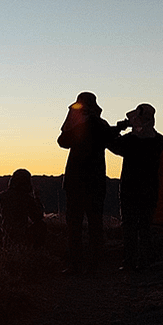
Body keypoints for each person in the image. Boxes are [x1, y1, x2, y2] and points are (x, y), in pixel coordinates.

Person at [57, 92, 122, 274]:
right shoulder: (100, 124)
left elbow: (63, 141)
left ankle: (76, 265)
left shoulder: (86, 124)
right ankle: (94, 265)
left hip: (77, 182)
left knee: (76, 226)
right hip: (95, 182)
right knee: (94, 225)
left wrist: (74, 121)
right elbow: (112, 141)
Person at [109, 103, 163, 271]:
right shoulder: (159, 142)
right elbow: (162, 140)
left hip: (130, 189)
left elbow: (111, 143)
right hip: (150, 190)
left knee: (129, 226)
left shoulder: (129, 141)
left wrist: (120, 127)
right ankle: (145, 262)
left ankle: (129, 262)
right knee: (145, 227)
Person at [0, 169, 46, 248]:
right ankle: (36, 251)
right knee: (41, 225)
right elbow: (38, 216)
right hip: (19, 239)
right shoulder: (26, 198)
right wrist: (36, 198)